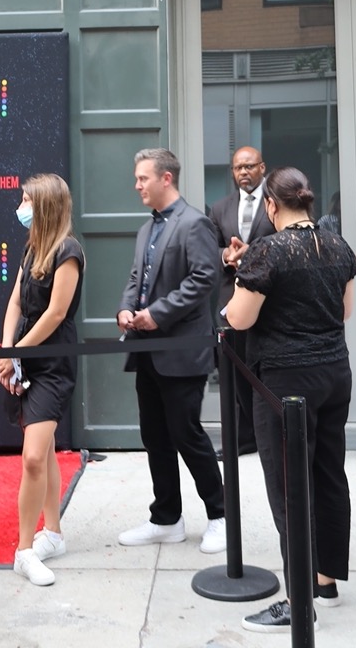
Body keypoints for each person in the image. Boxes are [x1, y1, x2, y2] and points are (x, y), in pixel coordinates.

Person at [225, 166, 356, 634]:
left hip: (285, 382)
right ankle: (325, 579)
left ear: (271, 205)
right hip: (335, 372)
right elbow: (345, 310)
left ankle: (298, 601)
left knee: (289, 489)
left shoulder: (267, 250)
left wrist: (238, 283)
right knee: (328, 475)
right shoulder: (337, 245)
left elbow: (239, 319)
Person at [116, 147, 227, 555]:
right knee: (155, 436)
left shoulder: (195, 222)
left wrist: (156, 314)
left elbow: (204, 278)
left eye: (143, 178)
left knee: (186, 434)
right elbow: (136, 278)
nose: (137, 185)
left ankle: (221, 518)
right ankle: (166, 519)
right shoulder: (147, 228)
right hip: (148, 350)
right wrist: (126, 309)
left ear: (166, 178)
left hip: (182, 350)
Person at [0, 173, 84, 587]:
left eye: (26, 200)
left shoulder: (69, 251)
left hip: (53, 363)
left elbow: (56, 313)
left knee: (33, 456)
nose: (20, 207)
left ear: (45, 205)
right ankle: (54, 533)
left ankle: (24, 550)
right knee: (43, 448)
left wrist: (17, 351)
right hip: (26, 356)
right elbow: (16, 301)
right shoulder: (32, 246)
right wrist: (6, 349)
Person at [206, 145, 274, 458]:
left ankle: (270, 433)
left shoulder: (276, 202)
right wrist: (226, 255)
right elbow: (209, 249)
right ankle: (244, 438)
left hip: (270, 301)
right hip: (230, 301)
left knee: (266, 370)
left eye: (249, 166)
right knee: (235, 373)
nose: (243, 172)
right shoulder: (220, 208)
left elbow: (284, 238)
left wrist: (253, 253)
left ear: (262, 168)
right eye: (238, 168)